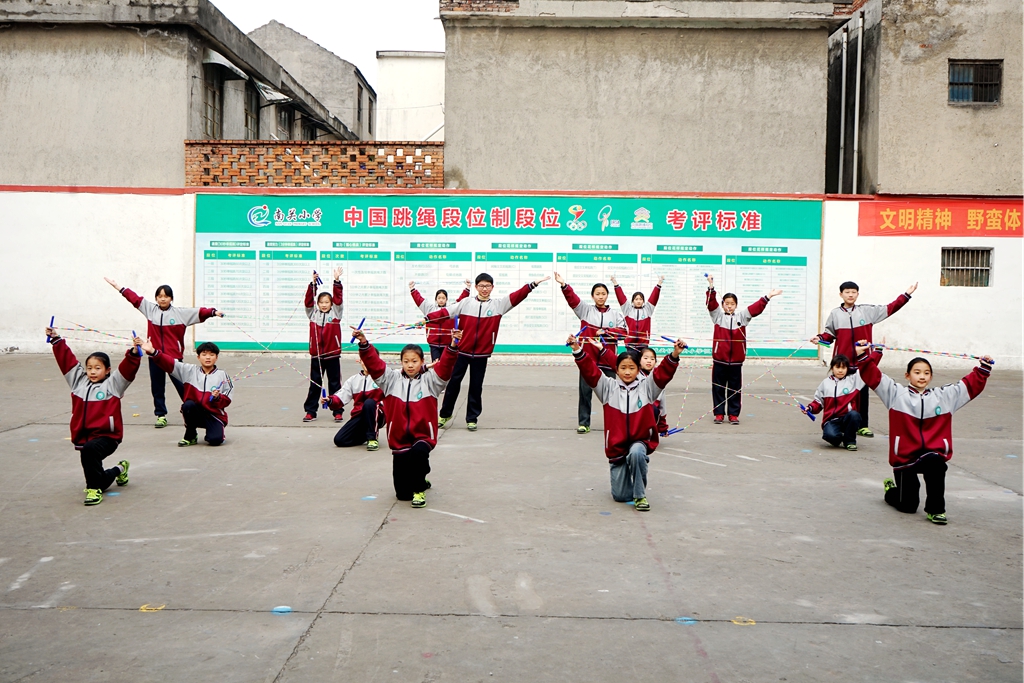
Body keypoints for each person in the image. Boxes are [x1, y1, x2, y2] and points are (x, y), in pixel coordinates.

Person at [857, 342, 992, 525]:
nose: (922, 376)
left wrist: (983, 368)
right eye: (917, 372)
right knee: (908, 506)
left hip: (931, 453)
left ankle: (936, 510)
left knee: (936, 464)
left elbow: (967, 386)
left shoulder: (943, 397)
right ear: (907, 375)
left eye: (926, 373)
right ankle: (891, 489)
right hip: (904, 458)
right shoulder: (896, 395)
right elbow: (874, 377)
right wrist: (862, 356)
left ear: (931, 376)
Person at [569, 334, 687, 511]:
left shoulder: (647, 387)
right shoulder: (608, 388)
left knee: (637, 453)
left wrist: (675, 354)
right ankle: (627, 476)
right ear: (616, 370)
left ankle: (640, 495)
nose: (627, 372)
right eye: (623, 368)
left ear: (638, 370)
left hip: (639, 442)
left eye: (631, 368)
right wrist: (577, 349)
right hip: (617, 448)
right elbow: (590, 371)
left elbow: (663, 374)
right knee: (621, 496)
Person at [424, 272, 550, 431]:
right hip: (461, 351)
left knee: (476, 386)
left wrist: (534, 283)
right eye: (481, 286)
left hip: (481, 354)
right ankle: (444, 414)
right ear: (476, 287)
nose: (484, 289)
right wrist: (427, 318)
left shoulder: (498, 305)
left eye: (488, 286)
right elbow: (446, 312)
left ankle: (472, 418)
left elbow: (517, 296)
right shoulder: (466, 303)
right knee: (453, 383)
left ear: (492, 287)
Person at [352, 327, 462, 508]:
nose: (410, 365)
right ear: (401, 362)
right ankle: (421, 476)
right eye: (406, 361)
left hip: (422, 435)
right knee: (402, 495)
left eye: (414, 361)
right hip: (399, 438)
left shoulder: (431, 381)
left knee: (419, 452)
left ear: (422, 361)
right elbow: (375, 365)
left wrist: (452, 346)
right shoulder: (391, 380)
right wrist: (364, 344)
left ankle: (419, 488)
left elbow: (446, 367)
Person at [104, 276, 223, 428]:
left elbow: (199, 312)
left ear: (171, 298)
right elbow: (134, 299)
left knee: (183, 386)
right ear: (156, 298)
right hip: (155, 356)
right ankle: (161, 415)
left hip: (173, 358)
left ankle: (195, 410)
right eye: (160, 296)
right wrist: (118, 287)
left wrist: (213, 312)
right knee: (157, 387)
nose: (162, 299)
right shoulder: (150, 310)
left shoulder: (180, 314)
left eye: (166, 296)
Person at [46, 325, 141, 506]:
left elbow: (126, 370)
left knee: (90, 453)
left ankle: (93, 490)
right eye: (89, 367)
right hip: (84, 437)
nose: (92, 371)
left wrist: (134, 353)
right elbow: (67, 361)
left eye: (98, 368)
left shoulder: (114, 385)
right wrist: (56, 340)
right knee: (97, 474)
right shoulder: (78, 383)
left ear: (107, 370)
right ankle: (119, 469)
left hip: (108, 437)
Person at [811, 280, 917, 438]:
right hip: (843, 363)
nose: (850, 295)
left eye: (854, 292)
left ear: (857, 294)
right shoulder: (835, 314)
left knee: (862, 394)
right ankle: (838, 423)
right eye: (847, 292)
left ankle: (862, 425)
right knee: (840, 393)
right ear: (841, 294)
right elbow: (829, 335)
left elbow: (890, 308)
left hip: (863, 360)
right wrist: (819, 338)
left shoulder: (868, 311)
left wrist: (906, 295)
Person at [554, 273, 628, 434]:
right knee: (585, 392)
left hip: (608, 361)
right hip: (589, 361)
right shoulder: (585, 311)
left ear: (607, 295)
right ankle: (584, 423)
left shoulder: (616, 315)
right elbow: (572, 299)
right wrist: (563, 284)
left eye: (603, 294)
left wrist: (606, 331)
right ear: (592, 296)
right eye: (597, 294)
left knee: (611, 394)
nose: (600, 297)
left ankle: (615, 423)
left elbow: (624, 333)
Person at [706, 275, 782, 425]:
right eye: (726, 303)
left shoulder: (742, 317)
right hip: (719, 360)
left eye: (732, 304)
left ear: (736, 305)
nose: (729, 306)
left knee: (735, 389)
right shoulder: (717, 317)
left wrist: (768, 296)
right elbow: (711, 304)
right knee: (718, 388)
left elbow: (755, 308)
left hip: (736, 362)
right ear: (722, 305)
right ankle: (719, 414)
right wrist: (711, 286)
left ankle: (733, 415)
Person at [143, 339, 233, 447]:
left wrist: (218, 397)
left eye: (211, 355)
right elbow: (171, 363)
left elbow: (227, 399)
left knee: (214, 440)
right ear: (198, 357)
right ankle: (190, 435)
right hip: (195, 412)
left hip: (213, 415)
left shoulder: (222, 376)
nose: (208, 357)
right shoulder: (189, 371)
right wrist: (153, 351)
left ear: (216, 357)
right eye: (204, 354)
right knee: (188, 405)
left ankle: (216, 432)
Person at [302, 268, 344, 423]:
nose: (324, 305)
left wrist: (337, 282)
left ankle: (337, 411)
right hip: (317, 356)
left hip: (333, 355)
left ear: (331, 304)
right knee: (315, 385)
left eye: (327, 302)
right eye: (321, 302)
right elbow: (308, 301)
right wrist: (313, 285)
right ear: (317, 303)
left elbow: (339, 299)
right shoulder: (312, 314)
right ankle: (310, 412)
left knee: (335, 385)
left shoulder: (336, 314)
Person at [803, 354, 865, 451]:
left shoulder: (853, 381)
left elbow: (867, 369)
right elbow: (819, 401)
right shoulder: (825, 383)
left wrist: (877, 352)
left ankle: (850, 441)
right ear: (832, 368)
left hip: (847, 417)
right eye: (837, 367)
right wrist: (810, 408)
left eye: (843, 367)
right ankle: (840, 436)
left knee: (854, 415)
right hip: (831, 420)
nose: (840, 370)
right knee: (831, 437)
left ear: (847, 369)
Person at [323, 358, 386, 451]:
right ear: (360, 361)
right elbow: (341, 396)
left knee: (369, 403)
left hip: (379, 413)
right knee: (340, 440)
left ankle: (372, 438)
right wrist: (330, 400)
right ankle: (366, 434)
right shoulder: (353, 380)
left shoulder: (384, 378)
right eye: (365, 360)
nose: (368, 363)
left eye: (371, 360)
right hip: (359, 415)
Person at [409, 279, 471, 361]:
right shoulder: (429, 309)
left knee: (446, 364)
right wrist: (412, 289)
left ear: (446, 299)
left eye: (443, 298)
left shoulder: (451, 309)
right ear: (436, 299)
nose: (441, 300)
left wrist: (467, 288)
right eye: (439, 298)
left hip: (448, 343)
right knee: (436, 364)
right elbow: (419, 300)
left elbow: (461, 301)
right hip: (433, 343)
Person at [611, 275, 663, 348]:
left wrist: (659, 283)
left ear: (643, 301)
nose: (638, 301)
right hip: (630, 344)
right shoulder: (628, 310)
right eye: (636, 299)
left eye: (640, 299)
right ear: (632, 301)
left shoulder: (648, 310)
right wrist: (615, 282)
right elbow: (621, 297)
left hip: (643, 344)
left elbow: (654, 297)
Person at [639, 347, 670, 436]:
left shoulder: (658, 380)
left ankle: (648, 433)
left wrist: (662, 428)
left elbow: (662, 406)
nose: (649, 361)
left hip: (652, 412)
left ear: (655, 362)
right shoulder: (635, 376)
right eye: (645, 358)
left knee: (654, 409)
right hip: (636, 411)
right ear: (639, 360)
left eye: (652, 359)